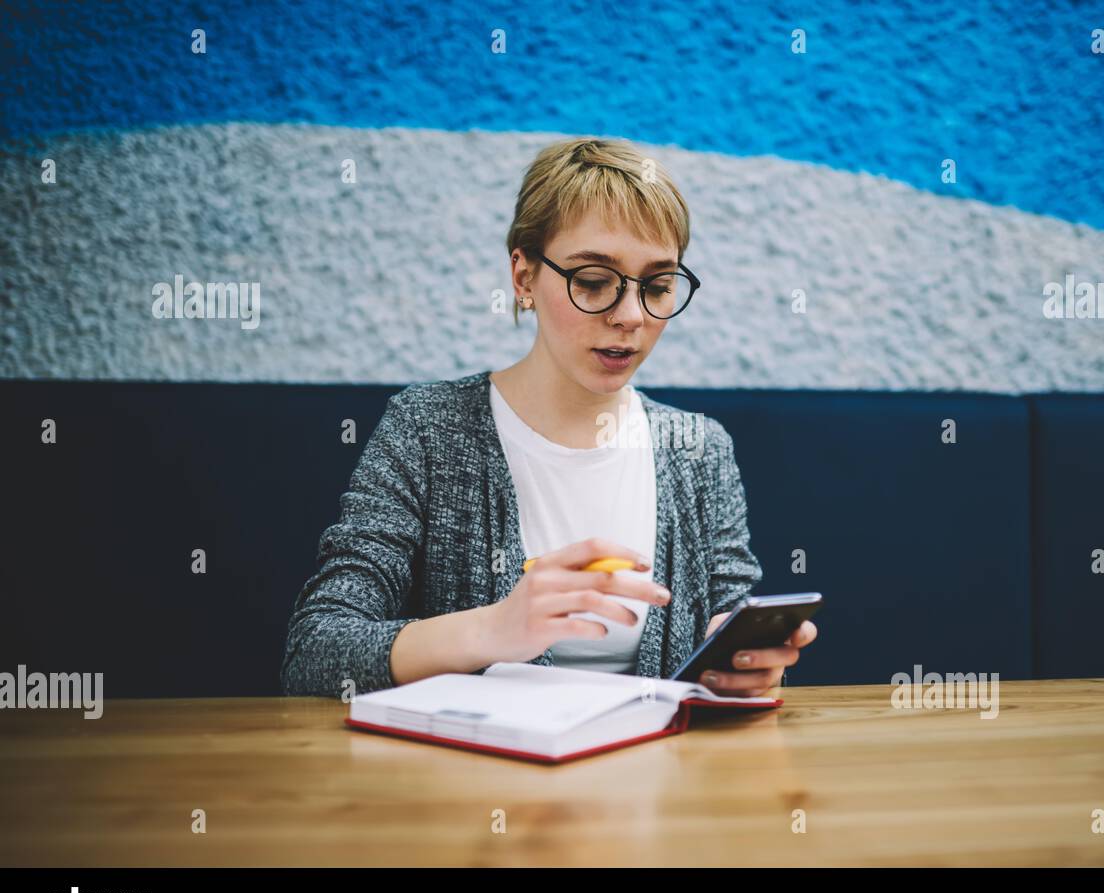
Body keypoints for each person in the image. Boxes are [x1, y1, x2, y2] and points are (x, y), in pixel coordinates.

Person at [281, 136, 817, 698]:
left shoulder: (699, 447)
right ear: (523, 276)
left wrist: (745, 660)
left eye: (658, 286)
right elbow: (315, 652)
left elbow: (730, 628)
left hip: (659, 779)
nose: (630, 316)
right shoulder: (427, 428)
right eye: (592, 282)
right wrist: (494, 629)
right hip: (477, 782)